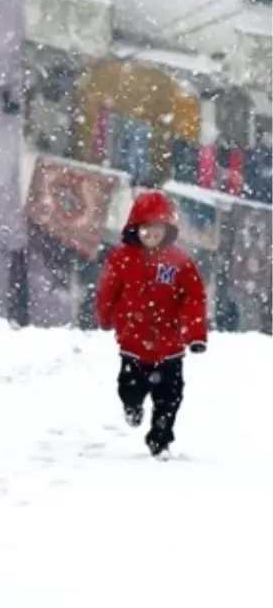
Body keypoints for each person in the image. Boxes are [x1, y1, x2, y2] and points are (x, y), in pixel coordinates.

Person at [95, 190, 207, 458]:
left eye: (156, 228)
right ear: (136, 229)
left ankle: (160, 440)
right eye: (145, 228)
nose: (150, 234)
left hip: (170, 346)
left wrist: (195, 334)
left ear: (166, 229)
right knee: (129, 387)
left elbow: (194, 298)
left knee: (169, 398)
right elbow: (108, 290)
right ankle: (132, 406)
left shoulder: (180, 262)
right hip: (133, 342)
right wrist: (105, 316)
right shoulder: (121, 259)